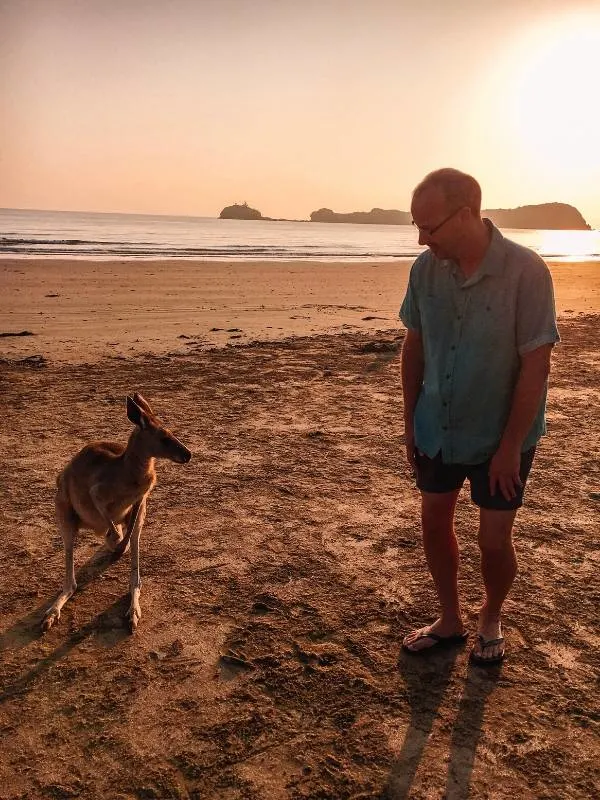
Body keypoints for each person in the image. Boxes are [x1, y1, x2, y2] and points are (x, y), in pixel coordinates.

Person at [399, 168, 559, 665]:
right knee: (433, 522)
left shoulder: (526, 271)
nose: (423, 238)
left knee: (493, 540)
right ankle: (450, 618)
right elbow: (415, 344)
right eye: (416, 228)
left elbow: (536, 364)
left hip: (500, 435)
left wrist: (510, 446)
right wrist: (409, 421)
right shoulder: (425, 270)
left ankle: (491, 615)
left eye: (430, 227)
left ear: (465, 214)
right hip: (437, 427)